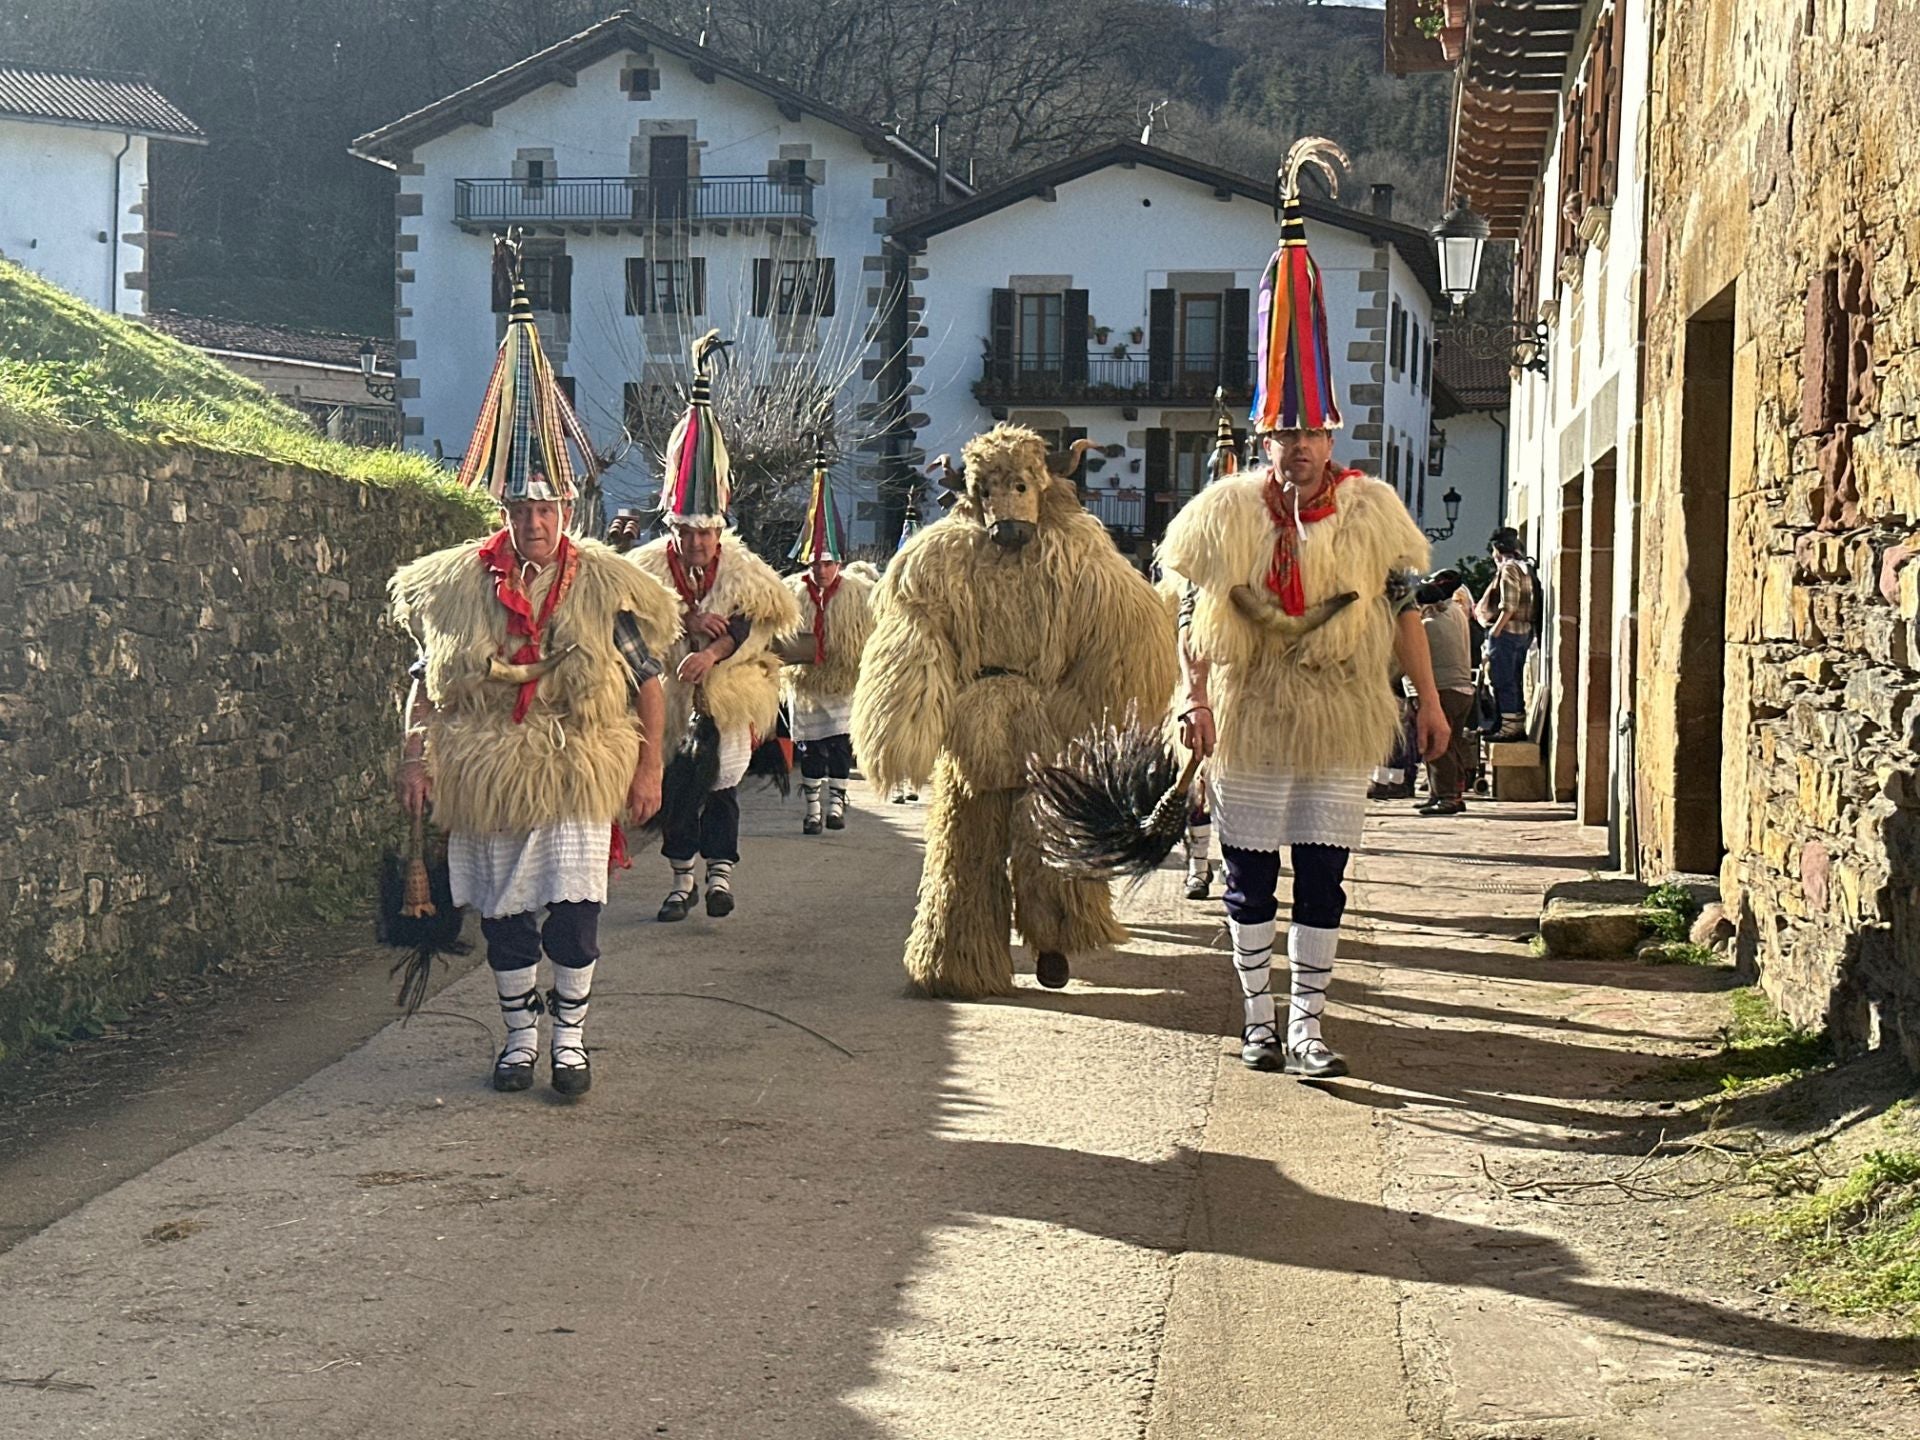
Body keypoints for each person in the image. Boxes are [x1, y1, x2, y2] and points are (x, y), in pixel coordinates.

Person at [1159, 138, 1448, 1079]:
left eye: (1312, 431)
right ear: (1264, 433)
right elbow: (1196, 615)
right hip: (1251, 707)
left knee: (1323, 872)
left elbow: (1404, 608)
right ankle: (1256, 1019)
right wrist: (1191, 700)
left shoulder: (1371, 509)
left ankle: (1312, 1022)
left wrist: (1433, 702)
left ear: (1333, 431)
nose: (1299, 449)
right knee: (1250, 873)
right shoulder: (1228, 512)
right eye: (1284, 433)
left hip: (1338, 709)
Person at [390, 255, 679, 1097]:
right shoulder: (455, 586)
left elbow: (649, 676)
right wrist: (416, 756)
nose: (537, 522)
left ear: (568, 513)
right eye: (522, 509)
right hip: (486, 768)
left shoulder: (606, 585)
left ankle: (571, 1043)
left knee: (577, 916)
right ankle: (519, 1039)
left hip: (578, 762)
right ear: (504, 514)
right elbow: (424, 676)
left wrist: (651, 761)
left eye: (549, 508)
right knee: (507, 919)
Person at [628, 332, 800, 921]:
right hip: (668, 695)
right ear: (673, 529)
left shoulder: (744, 568)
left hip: (726, 693)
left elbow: (756, 621)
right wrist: (682, 617)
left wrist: (716, 650)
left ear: (720, 531)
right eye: (688, 532)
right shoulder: (649, 567)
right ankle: (680, 881)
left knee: (721, 785)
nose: (698, 543)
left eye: (707, 533)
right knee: (678, 786)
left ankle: (720, 875)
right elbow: (631, 620)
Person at [777, 443, 875, 835]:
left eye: (829, 562)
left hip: (842, 680)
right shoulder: (792, 592)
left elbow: (873, 631)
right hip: (807, 684)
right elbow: (777, 632)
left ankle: (836, 804)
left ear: (838, 562)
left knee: (839, 746)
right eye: (816, 562)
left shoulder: (858, 594)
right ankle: (813, 810)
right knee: (811, 749)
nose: (822, 569)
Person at [1411, 572, 1476, 815]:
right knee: (1453, 743)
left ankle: (1447, 797)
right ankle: (1444, 793)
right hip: (1463, 688)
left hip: (1444, 688)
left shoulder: (1426, 626)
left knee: (1438, 746)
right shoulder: (1455, 613)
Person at [1476, 526, 1536, 741]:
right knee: (1513, 679)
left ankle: (1509, 727)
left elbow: (1509, 605)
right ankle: (1508, 723)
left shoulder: (1509, 568)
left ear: (1497, 550)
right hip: (1523, 632)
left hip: (1507, 632)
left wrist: (1495, 631)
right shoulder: (1525, 567)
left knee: (1502, 680)